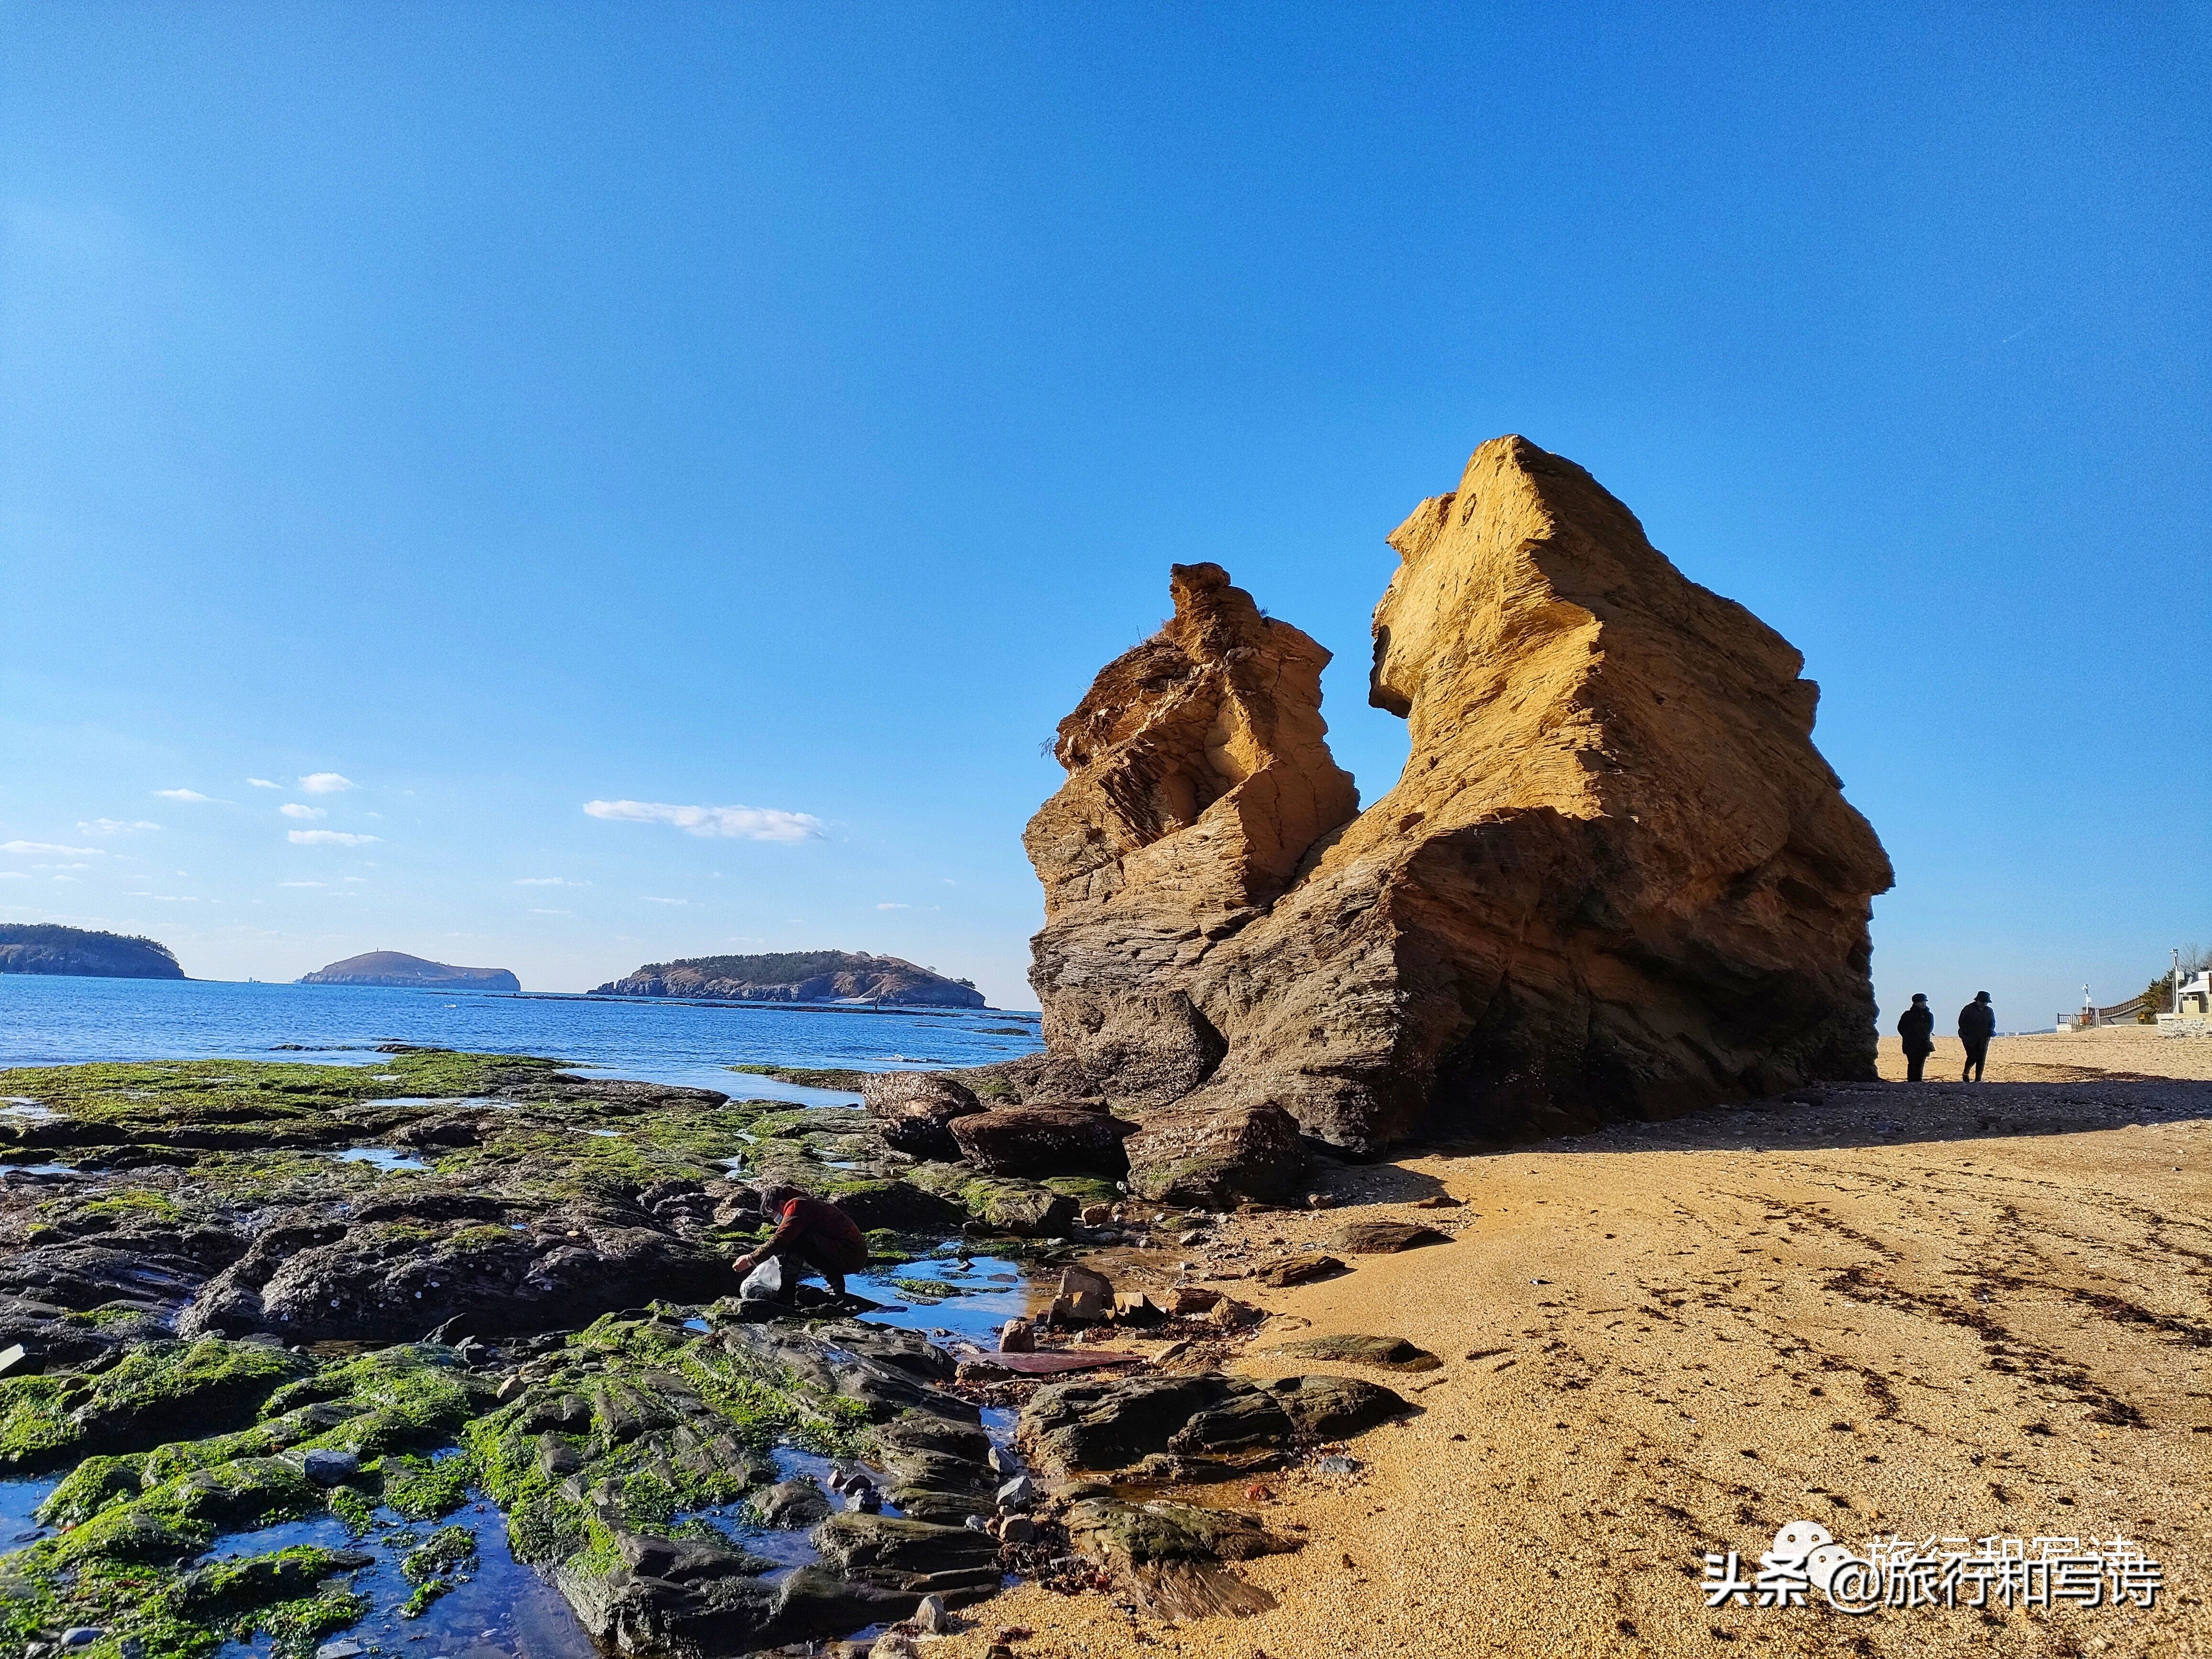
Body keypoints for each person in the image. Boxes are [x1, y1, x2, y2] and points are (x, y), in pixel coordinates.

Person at [733, 1184, 869, 1301]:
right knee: (801, 1240)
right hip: (851, 1253)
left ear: (782, 1204)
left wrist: (750, 1259)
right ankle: (836, 1287)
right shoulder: (806, 1203)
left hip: (849, 1253)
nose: (775, 1218)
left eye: (773, 1214)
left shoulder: (796, 1206)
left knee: (796, 1240)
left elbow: (781, 1239)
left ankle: (786, 1294)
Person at [1957, 991, 1996, 1082]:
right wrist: (1966, 1033)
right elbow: (1962, 1022)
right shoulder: (1968, 1009)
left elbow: (1992, 1023)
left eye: (1986, 1002)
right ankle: (1966, 1073)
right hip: (1969, 1037)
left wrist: (1991, 1031)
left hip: (1984, 1038)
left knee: (1982, 1059)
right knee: (1973, 1056)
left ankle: (1978, 1079)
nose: (1984, 1004)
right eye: (1982, 1002)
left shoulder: (1989, 1011)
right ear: (1977, 1001)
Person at [1897, 994, 1935, 1082]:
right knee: (1912, 1064)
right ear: (1916, 1003)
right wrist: (1909, 1036)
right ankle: (1912, 1082)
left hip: (1923, 1044)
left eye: (1925, 1001)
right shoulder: (1908, 1015)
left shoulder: (1929, 1015)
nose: (1924, 1004)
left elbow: (1929, 1029)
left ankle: (1918, 1082)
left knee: (1920, 1064)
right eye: (1921, 1002)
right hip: (1911, 1044)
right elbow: (1901, 1028)